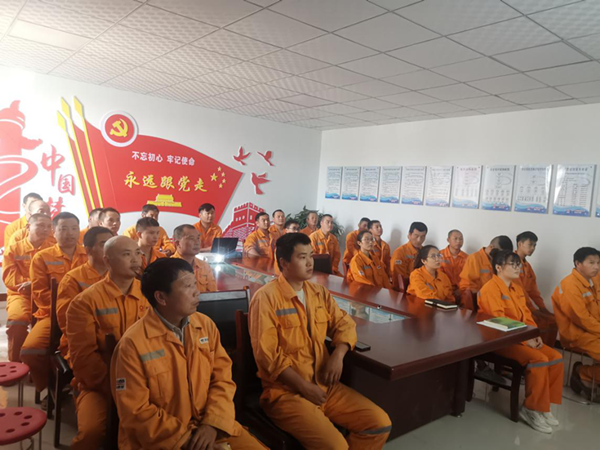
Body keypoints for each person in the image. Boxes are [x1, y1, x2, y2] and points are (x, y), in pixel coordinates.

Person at [249, 233, 392, 449]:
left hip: (325, 385)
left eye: (311, 256)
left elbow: (345, 324)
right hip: (287, 392)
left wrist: (338, 355)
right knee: (337, 447)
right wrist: (303, 387)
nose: (310, 263)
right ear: (284, 263)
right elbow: (267, 355)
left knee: (379, 424)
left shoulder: (318, 293)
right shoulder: (266, 298)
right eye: (302, 257)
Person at [111, 258, 267, 450]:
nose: (197, 291)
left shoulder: (205, 325)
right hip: (163, 440)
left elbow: (223, 380)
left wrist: (212, 424)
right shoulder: (133, 344)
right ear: (161, 297)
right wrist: (188, 441)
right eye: (187, 286)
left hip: (213, 427)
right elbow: (136, 411)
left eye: (195, 284)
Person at [67, 236, 150, 449]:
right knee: (92, 433)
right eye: (126, 254)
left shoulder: (150, 295)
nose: (135, 260)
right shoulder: (85, 302)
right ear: (107, 260)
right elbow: (84, 359)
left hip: (147, 380)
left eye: (138, 253)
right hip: (100, 383)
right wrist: (118, 389)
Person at [478, 250, 563, 434]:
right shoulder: (490, 289)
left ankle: (543, 407)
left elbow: (527, 315)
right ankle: (530, 409)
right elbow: (499, 322)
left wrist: (534, 334)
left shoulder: (516, 288)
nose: (518, 268)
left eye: (519, 264)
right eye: (513, 264)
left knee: (556, 357)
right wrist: (526, 341)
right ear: (498, 267)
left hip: (521, 338)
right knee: (539, 359)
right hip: (499, 341)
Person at [20, 212, 88, 392]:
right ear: (54, 231)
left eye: (74, 228)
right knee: (30, 352)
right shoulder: (42, 257)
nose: (69, 233)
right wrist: (64, 311)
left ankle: (81, 386)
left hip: (86, 315)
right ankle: (49, 390)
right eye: (63, 228)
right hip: (51, 316)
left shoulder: (89, 255)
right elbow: (40, 293)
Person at [56, 227, 113, 360]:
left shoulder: (121, 276)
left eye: (112, 244)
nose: (110, 249)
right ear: (88, 250)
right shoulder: (72, 279)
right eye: (103, 244)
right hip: (83, 344)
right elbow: (68, 322)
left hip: (118, 341)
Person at [2, 214, 53, 361]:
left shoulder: (53, 249)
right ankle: (16, 363)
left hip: (46, 294)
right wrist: (32, 284)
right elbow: (10, 278)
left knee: (59, 321)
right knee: (17, 321)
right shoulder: (14, 249)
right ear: (28, 227)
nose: (45, 229)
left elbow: (57, 277)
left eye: (48, 226)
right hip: (20, 294)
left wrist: (34, 285)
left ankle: (43, 364)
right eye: (41, 225)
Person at [552, 247, 600, 400]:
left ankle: (588, 375)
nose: (596, 267)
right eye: (591, 263)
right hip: (577, 333)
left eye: (598, 263)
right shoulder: (570, 285)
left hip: (593, 331)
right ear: (578, 263)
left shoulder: (591, 282)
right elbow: (582, 319)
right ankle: (583, 372)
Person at [514, 231, 558, 347]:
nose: (533, 248)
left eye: (535, 245)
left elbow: (533, 291)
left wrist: (543, 308)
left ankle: (548, 349)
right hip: (517, 306)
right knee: (541, 322)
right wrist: (533, 310)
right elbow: (520, 291)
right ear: (520, 244)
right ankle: (537, 348)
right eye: (530, 245)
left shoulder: (527, 266)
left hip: (526, 305)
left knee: (553, 320)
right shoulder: (511, 264)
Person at [459, 235, 513, 308]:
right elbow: (467, 286)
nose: (501, 257)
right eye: (500, 254)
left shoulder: (498, 262)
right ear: (491, 247)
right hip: (476, 302)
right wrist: (485, 295)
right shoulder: (474, 258)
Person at [171, 224, 217, 292]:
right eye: (191, 238)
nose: (197, 243)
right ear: (178, 243)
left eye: (198, 238)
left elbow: (213, 293)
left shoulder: (204, 266)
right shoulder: (169, 267)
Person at [391, 221, 428, 291]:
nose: (419, 240)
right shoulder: (400, 252)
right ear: (409, 235)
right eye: (416, 236)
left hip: (422, 288)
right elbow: (399, 279)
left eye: (423, 236)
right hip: (406, 290)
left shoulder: (425, 252)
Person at [440, 229, 468, 297]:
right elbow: (437, 275)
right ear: (448, 240)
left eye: (461, 239)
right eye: (455, 239)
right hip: (444, 289)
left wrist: (460, 290)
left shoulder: (467, 258)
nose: (458, 241)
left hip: (461, 290)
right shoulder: (439, 255)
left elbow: (468, 277)